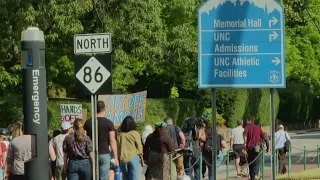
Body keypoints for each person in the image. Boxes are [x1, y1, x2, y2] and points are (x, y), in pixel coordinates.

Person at [84, 101, 119, 180]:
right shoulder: (109, 123)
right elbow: (112, 141)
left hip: (91, 153)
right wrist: (116, 157)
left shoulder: (88, 122)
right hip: (104, 153)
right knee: (103, 178)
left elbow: (84, 139)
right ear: (104, 109)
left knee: (92, 177)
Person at [119, 116, 144, 180]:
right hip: (133, 157)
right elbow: (139, 147)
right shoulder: (135, 133)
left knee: (125, 177)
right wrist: (142, 159)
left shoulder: (121, 134)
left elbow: (118, 147)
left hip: (123, 159)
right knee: (134, 177)